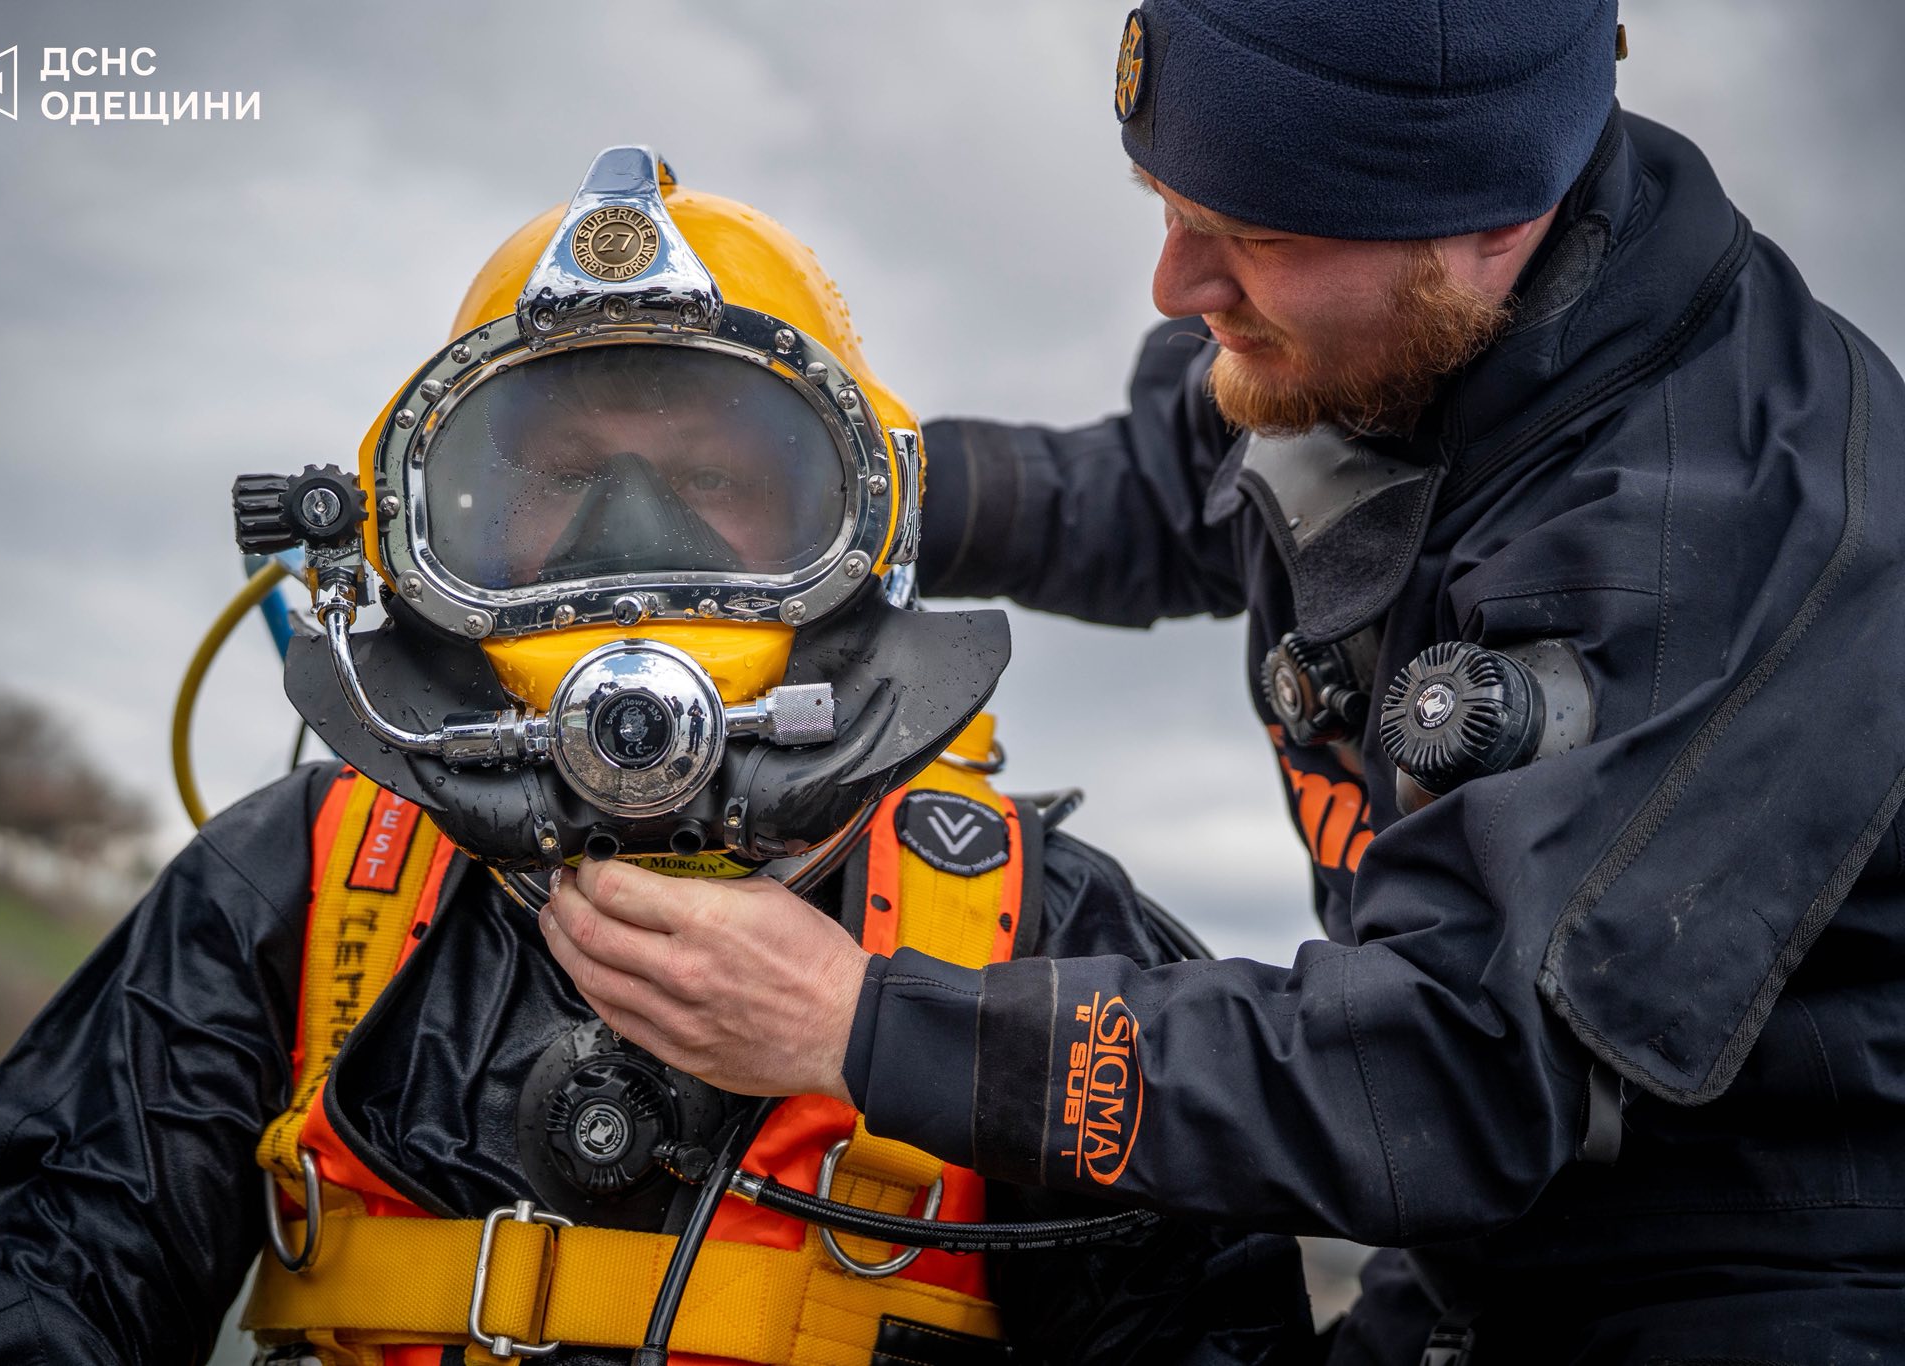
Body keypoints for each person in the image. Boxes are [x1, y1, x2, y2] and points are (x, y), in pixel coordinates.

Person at [539, 6, 1905, 1363]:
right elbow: (1154, 489)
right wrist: (803, 488)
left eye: (1255, 234)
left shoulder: (1709, 532)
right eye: (1169, 205)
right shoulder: (1390, 327)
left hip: (1747, 1278)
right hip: (1458, 1270)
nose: (1174, 283)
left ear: (1492, 222)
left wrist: (860, 1025)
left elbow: (1455, 1069)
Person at [0, 146, 1313, 1366]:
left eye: (712, 479)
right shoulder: (295, 884)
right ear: (421, 533)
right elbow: (61, 1275)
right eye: (561, 480)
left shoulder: (1029, 934)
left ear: (860, 522)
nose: (631, 537)